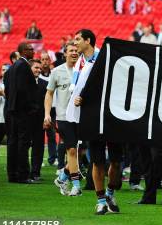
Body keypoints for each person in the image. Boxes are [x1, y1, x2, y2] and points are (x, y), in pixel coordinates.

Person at [70, 29, 124, 214]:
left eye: (77, 39)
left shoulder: (105, 58)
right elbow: (76, 88)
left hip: (111, 115)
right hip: (91, 116)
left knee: (116, 162)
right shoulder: (79, 63)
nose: (74, 42)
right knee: (97, 161)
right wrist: (77, 98)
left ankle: (110, 193)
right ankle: (101, 201)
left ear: (88, 40)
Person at [46, 42, 82, 196]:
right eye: (71, 51)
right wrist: (47, 114)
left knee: (80, 152)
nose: (74, 53)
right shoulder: (56, 71)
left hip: (81, 117)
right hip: (63, 116)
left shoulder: (84, 70)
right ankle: (76, 185)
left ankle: (62, 177)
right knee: (72, 150)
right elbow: (49, 93)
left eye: (76, 50)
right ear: (65, 54)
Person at [4, 42, 38, 184]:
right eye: (31, 49)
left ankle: (12, 174)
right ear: (24, 51)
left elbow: (8, 88)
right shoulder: (23, 66)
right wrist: (31, 107)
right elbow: (24, 90)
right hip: (22, 111)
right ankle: (23, 175)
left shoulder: (12, 68)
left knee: (12, 142)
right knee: (23, 142)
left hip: (11, 109)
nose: (33, 51)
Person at [28, 59, 46, 181]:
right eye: (36, 68)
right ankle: (22, 171)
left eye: (40, 68)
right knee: (24, 146)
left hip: (40, 120)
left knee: (38, 147)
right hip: (26, 120)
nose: (39, 70)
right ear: (30, 68)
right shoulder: (23, 82)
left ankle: (35, 172)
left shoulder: (45, 84)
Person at [0, 64, 10, 186]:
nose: (4, 72)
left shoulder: (13, 86)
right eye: (3, 70)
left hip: (11, 122)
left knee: (14, 148)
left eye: (7, 70)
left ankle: (13, 172)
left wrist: (4, 94)